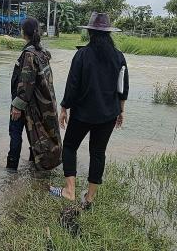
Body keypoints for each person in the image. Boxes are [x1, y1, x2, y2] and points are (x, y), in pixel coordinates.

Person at [49, 12, 129, 210]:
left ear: (91, 33)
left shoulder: (82, 55)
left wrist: (64, 108)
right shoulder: (119, 57)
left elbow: (72, 85)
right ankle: (90, 198)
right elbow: (122, 88)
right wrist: (120, 111)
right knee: (98, 152)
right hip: (108, 114)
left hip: (83, 113)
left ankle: (69, 190)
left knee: (69, 146)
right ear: (109, 33)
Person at [6, 18, 62, 172]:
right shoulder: (42, 52)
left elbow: (26, 81)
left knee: (16, 134)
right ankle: (34, 166)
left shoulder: (29, 54)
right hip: (39, 104)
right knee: (36, 135)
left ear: (24, 32)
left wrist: (17, 106)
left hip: (25, 104)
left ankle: (11, 169)